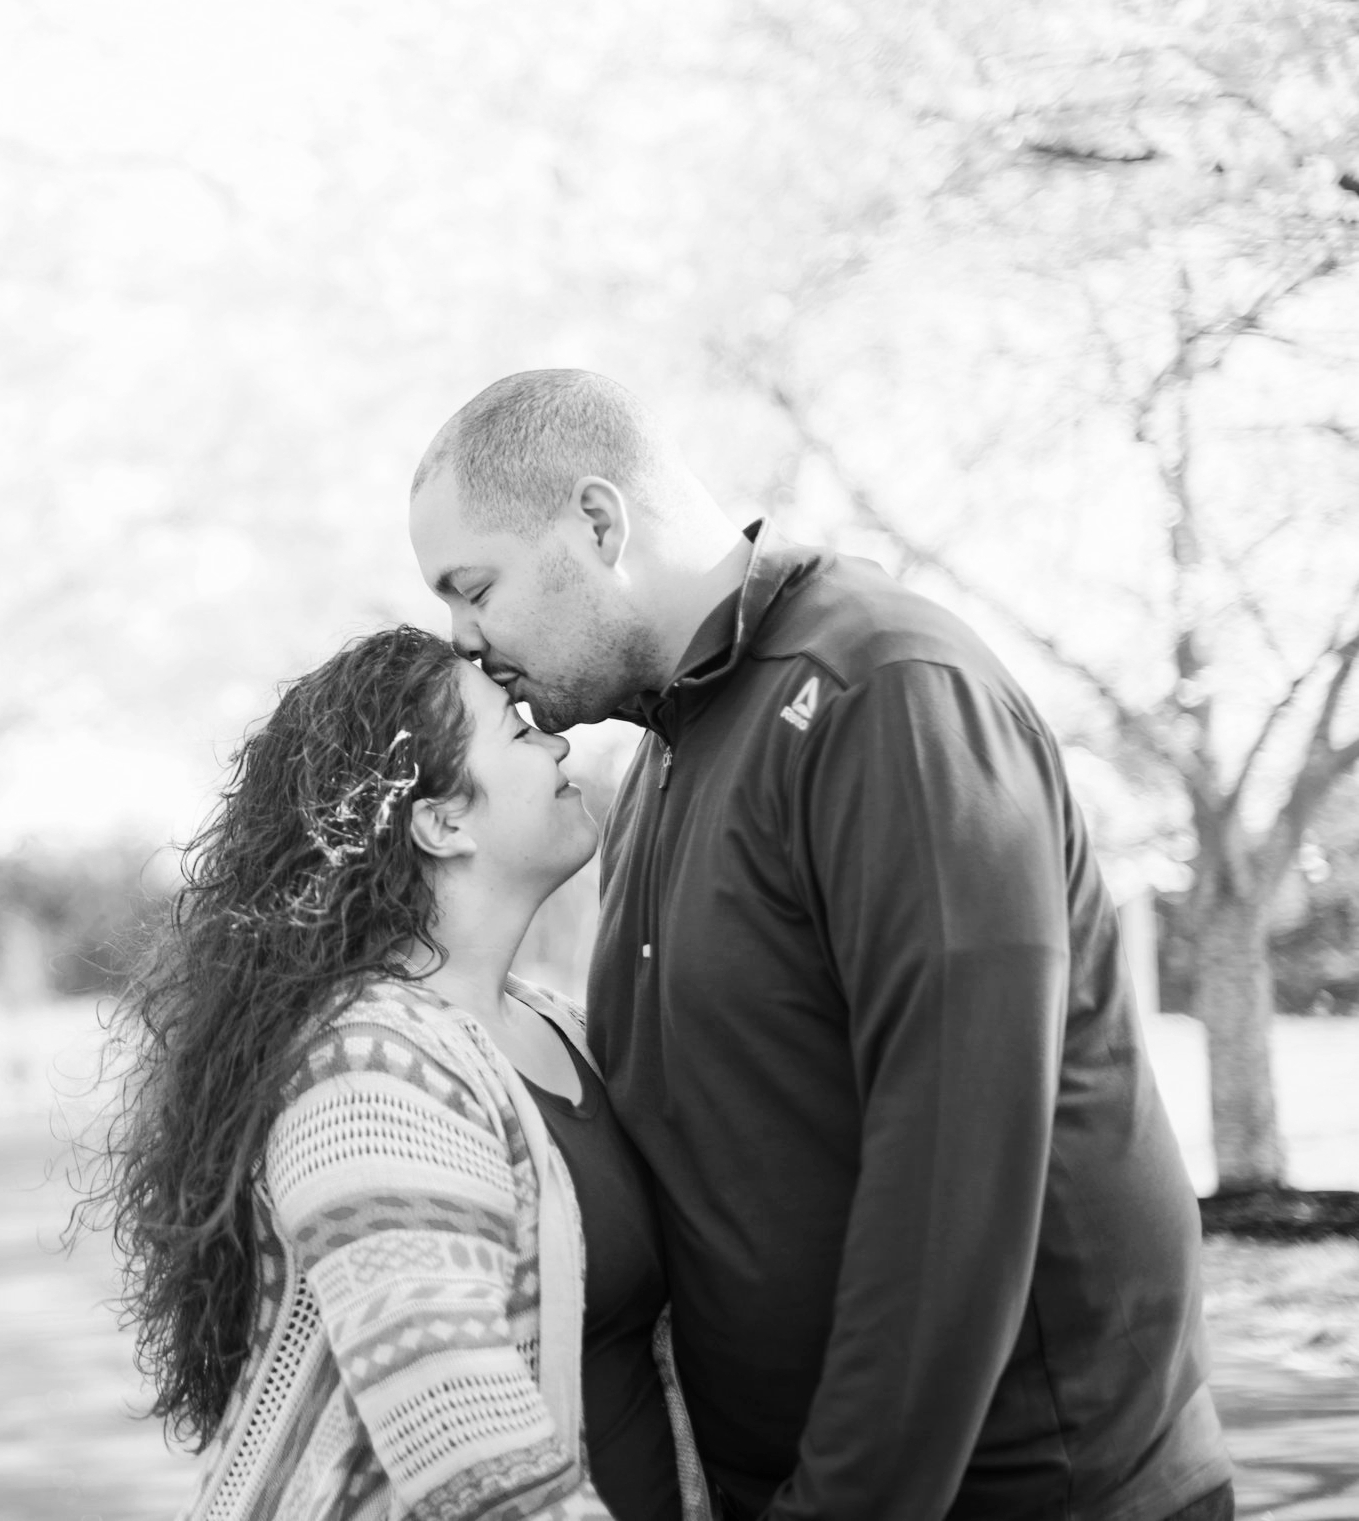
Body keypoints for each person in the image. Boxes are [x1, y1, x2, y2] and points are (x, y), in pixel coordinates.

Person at [407, 369, 1233, 1521]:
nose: (462, 639)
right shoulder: (660, 761)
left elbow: (953, 1183)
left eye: (473, 586)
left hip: (1030, 1492)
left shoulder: (882, 693)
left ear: (597, 523)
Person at [98, 625, 712, 1521]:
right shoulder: (367, 1074)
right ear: (441, 819)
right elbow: (462, 1442)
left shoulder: (558, 1028)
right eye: (517, 728)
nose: (559, 739)